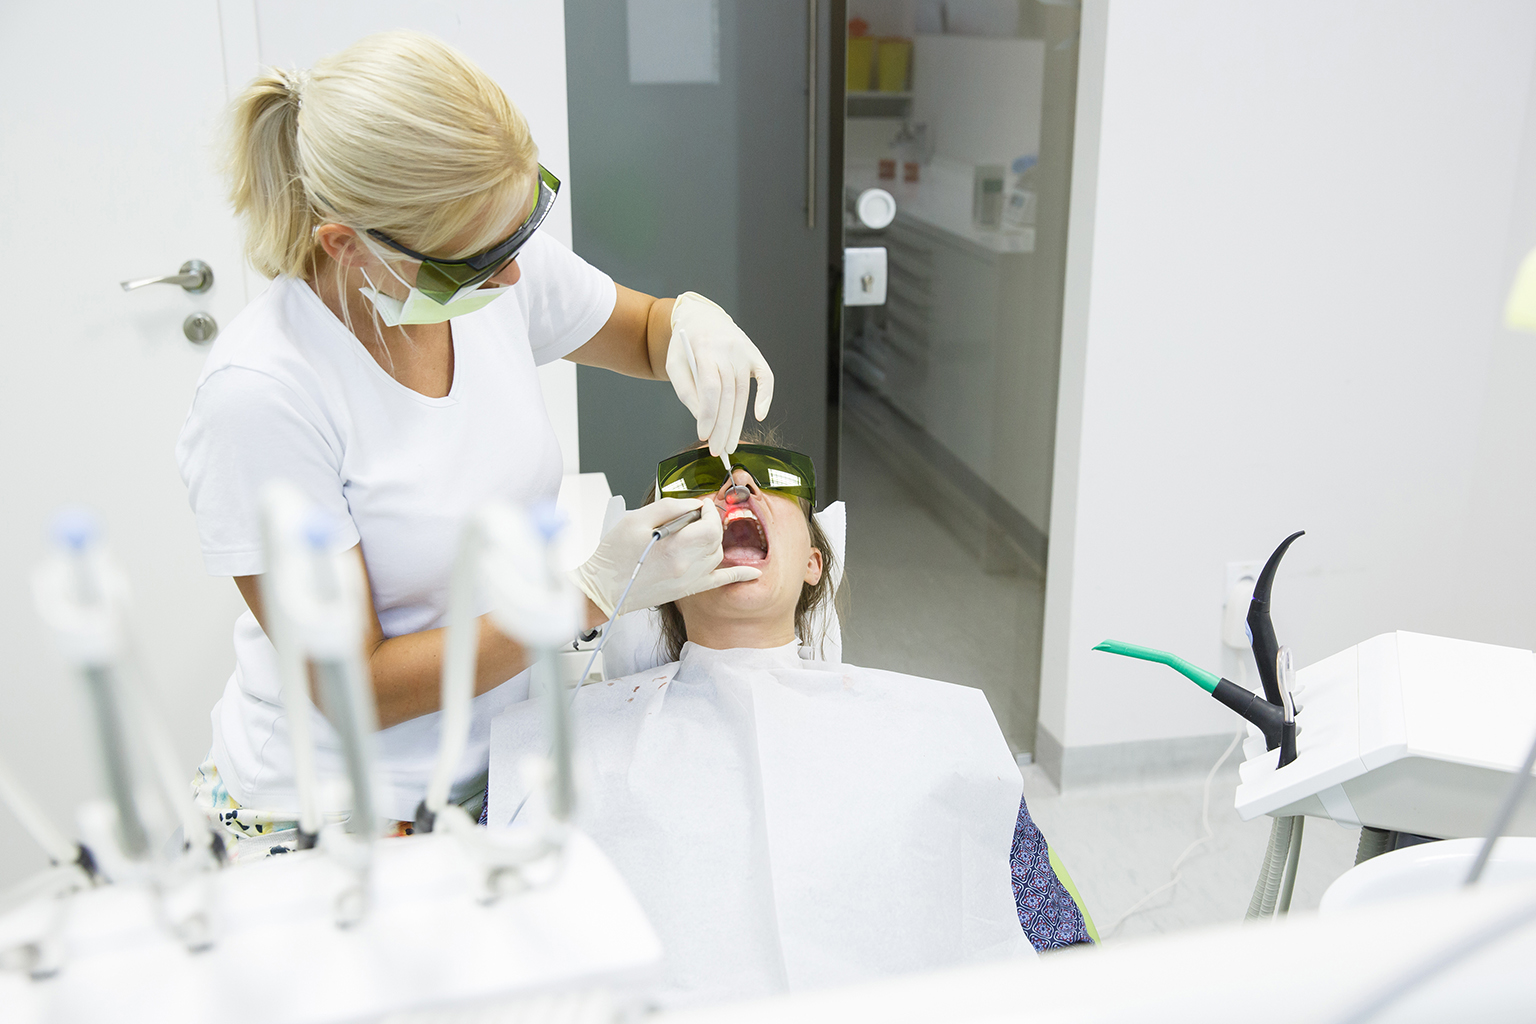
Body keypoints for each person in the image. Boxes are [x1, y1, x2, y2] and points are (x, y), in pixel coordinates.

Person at [176, 31, 775, 855]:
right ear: (349, 246)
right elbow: (358, 690)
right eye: (482, 261)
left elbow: (638, 330)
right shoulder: (263, 396)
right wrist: (589, 596)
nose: (516, 279)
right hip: (338, 814)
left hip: (502, 762)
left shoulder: (483, 256)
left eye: (523, 229)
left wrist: (691, 322)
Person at [487, 436, 1091, 1006]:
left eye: (773, 477)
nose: (740, 484)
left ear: (813, 563)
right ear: (661, 575)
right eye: (700, 484)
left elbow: (1059, 941)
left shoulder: (935, 733)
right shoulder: (566, 747)